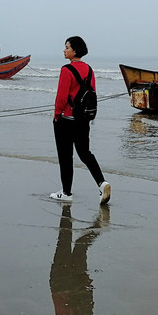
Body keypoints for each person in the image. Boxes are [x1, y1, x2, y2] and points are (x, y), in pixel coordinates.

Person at [51, 36, 110, 204]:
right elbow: (92, 93)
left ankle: (66, 193)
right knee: (85, 153)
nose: (64, 50)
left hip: (66, 120)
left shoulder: (66, 70)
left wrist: (56, 115)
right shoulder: (89, 69)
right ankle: (102, 183)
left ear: (74, 50)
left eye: (67, 47)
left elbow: (61, 98)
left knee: (65, 157)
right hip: (83, 120)